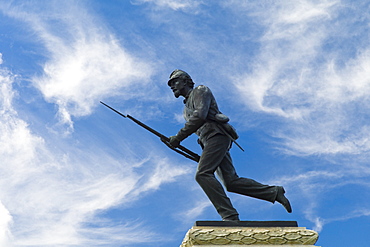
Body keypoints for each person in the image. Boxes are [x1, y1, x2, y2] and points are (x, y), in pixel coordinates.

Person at [166, 69, 292, 221]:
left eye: (175, 82)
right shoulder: (185, 110)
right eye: (171, 84)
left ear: (185, 81)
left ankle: (229, 216)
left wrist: (178, 137)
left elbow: (200, 116)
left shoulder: (200, 90)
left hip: (217, 136)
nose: (172, 86)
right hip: (209, 141)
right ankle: (273, 192)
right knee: (231, 182)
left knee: (202, 174)